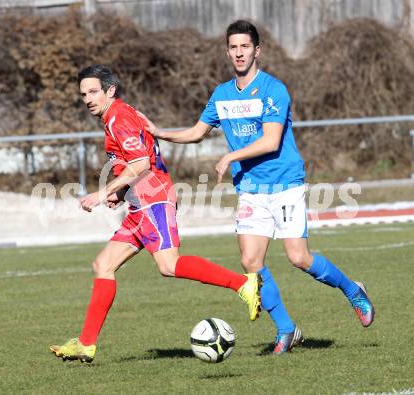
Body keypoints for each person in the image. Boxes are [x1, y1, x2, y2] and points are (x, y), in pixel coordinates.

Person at [140, 20, 375, 355]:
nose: (239, 53)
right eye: (233, 47)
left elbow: (271, 140)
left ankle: (352, 290)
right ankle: (286, 329)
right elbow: (196, 132)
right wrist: (158, 132)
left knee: (299, 258)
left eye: (245, 47)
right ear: (228, 51)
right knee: (251, 262)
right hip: (250, 189)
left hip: (284, 184)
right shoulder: (221, 95)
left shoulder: (273, 89)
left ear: (256, 50)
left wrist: (230, 155)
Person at [49, 64, 261, 363]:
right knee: (103, 264)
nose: (87, 99)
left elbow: (142, 164)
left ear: (110, 90)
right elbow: (137, 160)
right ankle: (86, 343)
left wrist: (102, 192)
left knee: (169, 265)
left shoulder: (119, 118)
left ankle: (243, 284)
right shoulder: (115, 115)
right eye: (83, 94)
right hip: (140, 203)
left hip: (154, 200)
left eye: (93, 91)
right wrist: (120, 192)